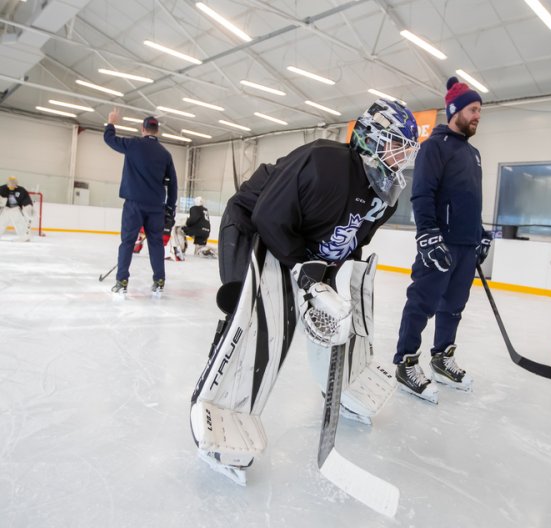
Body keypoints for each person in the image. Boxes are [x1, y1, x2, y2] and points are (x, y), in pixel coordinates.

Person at [190, 99, 419, 483]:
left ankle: (345, 386)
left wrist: (331, 282)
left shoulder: (384, 196)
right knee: (256, 319)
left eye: (406, 150)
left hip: (301, 248)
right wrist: (305, 272)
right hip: (255, 229)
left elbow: (350, 244)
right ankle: (221, 406)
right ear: (372, 137)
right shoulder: (324, 163)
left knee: (333, 316)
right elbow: (267, 216)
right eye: (396, 144)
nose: (401, 157)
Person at [393, 76, 493, 404]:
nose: (478, 115)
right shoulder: (434, 147)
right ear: (455, 111)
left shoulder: (473, 153)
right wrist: (428, 235)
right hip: (440, 243)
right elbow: (422, 194)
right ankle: (406, 362)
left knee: (454, 307)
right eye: (474, 109)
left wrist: (480, 233)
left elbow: (469, 198)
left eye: (479, 109)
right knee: (422, 302)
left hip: (465, 245)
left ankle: (441, 358)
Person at [104, 109, 178, 295]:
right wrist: (170, 209)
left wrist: (111, 123)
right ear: (157, 131)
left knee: (128, 242)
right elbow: (173, 185)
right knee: (155, 244)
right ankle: (159, 280)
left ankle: (122, 281)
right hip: (156, 208)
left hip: (134, 205)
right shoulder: (165, 154)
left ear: (142, 129)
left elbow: (109, 139)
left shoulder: (133, 144)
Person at [0, 175, 34, 242]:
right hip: (5, 209)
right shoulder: (2, 189)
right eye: (10, 185)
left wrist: (28, 206)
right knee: (1, 222)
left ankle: (24, 237)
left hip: (15, 209)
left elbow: (26, 198)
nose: (12, 186)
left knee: (19, 222)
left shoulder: (21, 190)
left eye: (13, 185)